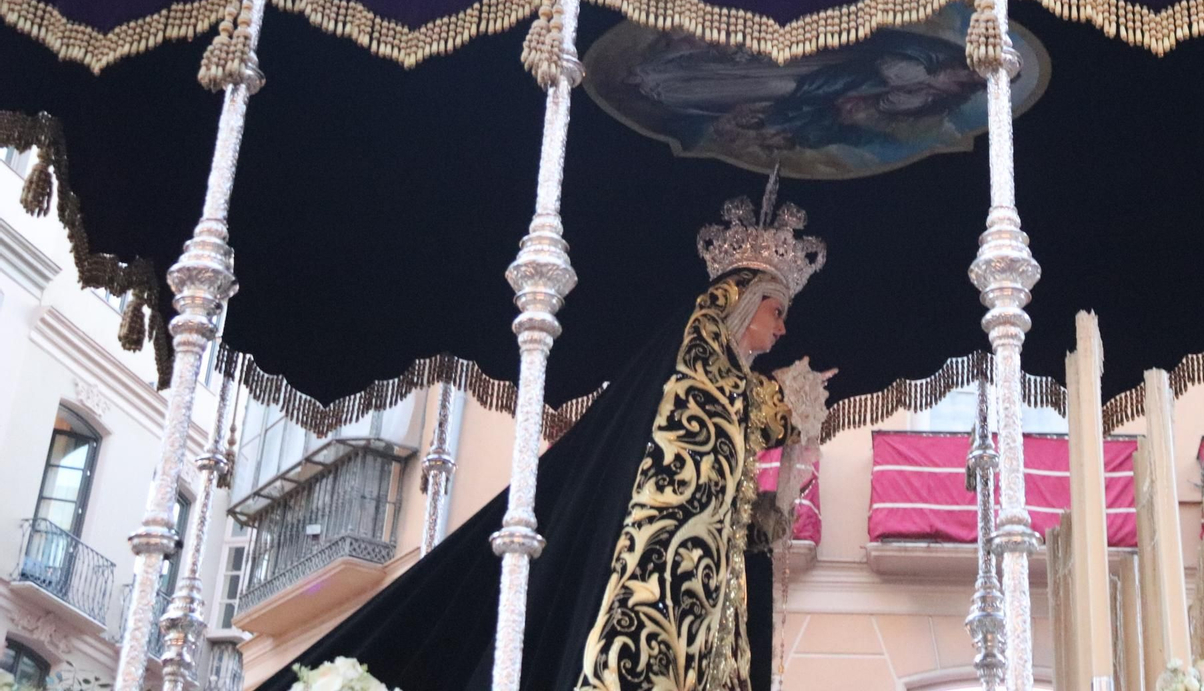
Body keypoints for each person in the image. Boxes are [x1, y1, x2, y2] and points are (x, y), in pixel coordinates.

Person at [256, 176, 828, 691]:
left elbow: (719, 475)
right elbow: (711, 437)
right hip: (651, 604)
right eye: (775, 310)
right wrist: (789, 397)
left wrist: (756, 513)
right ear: (739, 303)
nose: (781, 329)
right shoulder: (694, 375)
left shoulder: (722, 385)